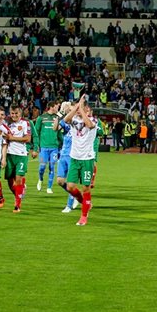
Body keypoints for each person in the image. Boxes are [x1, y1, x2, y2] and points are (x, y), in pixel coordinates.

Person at [63, 95, 98, 226]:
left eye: (82, 108)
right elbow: (66, 119)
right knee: (70, 186)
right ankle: (84, 202)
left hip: (87, 159)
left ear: (87, 109)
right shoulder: (73, 120)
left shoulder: (94, 120)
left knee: (86, 188)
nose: (78, 111)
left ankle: (83, 216)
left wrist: (81, 108)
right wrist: (77, 106)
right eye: (78, 109)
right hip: (74, 158)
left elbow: (89, 124)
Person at [5, 107, 32, 213]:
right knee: (10, 181)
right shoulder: (7, 123)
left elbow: (28, 138)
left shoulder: (25, 123)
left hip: (21, 155)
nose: (14, 115)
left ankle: (17, 205)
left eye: (16, 113)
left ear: (20, 113)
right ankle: (19, 193)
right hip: (9, 155)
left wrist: (12, 138)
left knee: (18, 179)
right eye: (12, 113)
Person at [56, 101, 80, 213]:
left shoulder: (78, 124)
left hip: (73, 156)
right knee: (60, 181)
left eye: (71, 110)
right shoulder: (65, 124)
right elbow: (54, 128)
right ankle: (75, 195)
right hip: (63, 154)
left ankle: (69, 205)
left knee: (71, 182)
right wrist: (60, 114)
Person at [35, 101, 60, 193]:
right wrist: (36, 145)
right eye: (56, 106)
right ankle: (40, 179)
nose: (57, 108)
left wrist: (62, 142)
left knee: (52, 166)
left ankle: (49, 187)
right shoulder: (41, 118)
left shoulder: (57, 118)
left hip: (54, 147)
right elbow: (36, 132)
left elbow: (58, 132)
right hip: (44, 147)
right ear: (51, 107)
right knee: (42, 167)